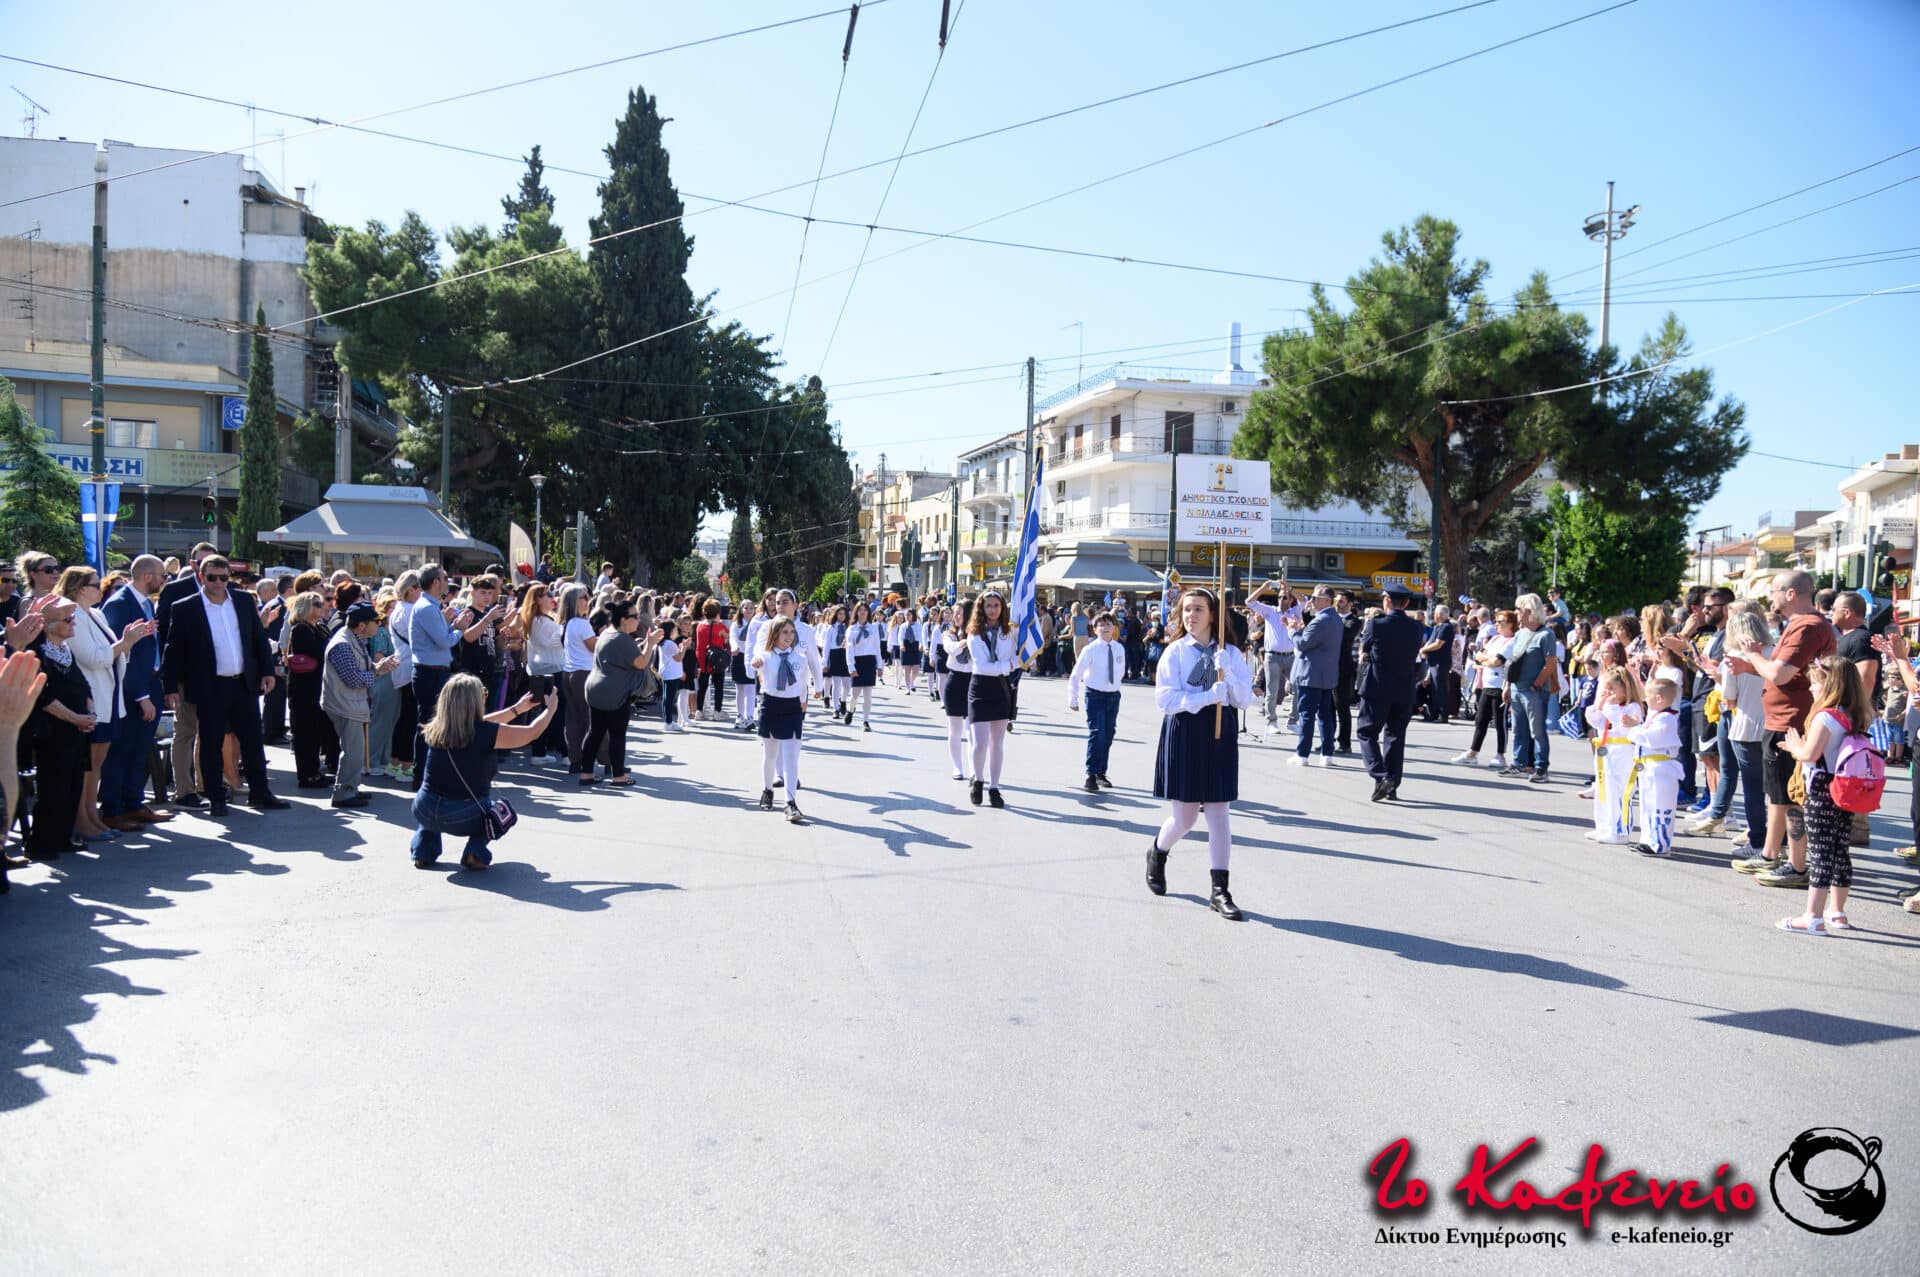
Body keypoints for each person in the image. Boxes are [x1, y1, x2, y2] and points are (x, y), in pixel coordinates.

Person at [1146, 587, 1254, 920]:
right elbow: (1165, 700)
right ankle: (1158, 851)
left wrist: (1229, 674)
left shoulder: (1230, 653)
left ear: (1213, 615)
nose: (1191, 615)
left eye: (1198, 609)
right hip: (1186, 730)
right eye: (1187, 610)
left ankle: (1220, 890)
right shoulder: (1175, 652)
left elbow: (1244, 700)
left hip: (1220, 731)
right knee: (1186, 817)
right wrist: (1206, 697)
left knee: (1219, 812)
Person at [1726, 570, 1836, 890]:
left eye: (1774, 590)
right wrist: (1751, 666)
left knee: (1790, 795)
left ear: (1791, 594)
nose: (1770, 597)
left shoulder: (1808, 626)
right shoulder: (1799, 624)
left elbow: (1780, 674)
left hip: (1791, 723)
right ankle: (1771, 854)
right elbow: (1784, 674)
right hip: (1781, 721)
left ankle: (1793, 864)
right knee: (1778, 793)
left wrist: (1753, 655)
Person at [158, 556, 289, 816]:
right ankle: (215, 797)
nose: (218, 583)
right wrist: (170, 686)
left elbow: (258, 638)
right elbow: (174, 650)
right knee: (211, 743)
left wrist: (267, 671)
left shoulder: (242, 601)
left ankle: (260, 793)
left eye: (224, 577)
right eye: (212, 577)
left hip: (243, 684)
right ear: (201, 577)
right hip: (210, 687)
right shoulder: (186, 607)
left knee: (252, 741)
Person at [412, 675, 557, 871]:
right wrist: (550, 710)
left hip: (423, 808)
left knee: (433, 800)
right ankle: (475, 852)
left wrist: (517, 709)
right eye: (483, 693)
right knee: (503, 812)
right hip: (461, 816)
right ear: (474, 701)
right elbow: (531, 732)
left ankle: (423, 852)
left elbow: (482, 723)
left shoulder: (436, 728)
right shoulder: (484, 733)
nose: (485, 697)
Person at [1774, 656, 1871, 934]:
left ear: (1830, 684)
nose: (1811, 688)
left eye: (1815, 683)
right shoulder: (1854, 715)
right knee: (1839, 849)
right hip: (1844, 787)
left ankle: (1812, 916)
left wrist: (1795, 746)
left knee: (1820, 851)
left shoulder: (1826, 716)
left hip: (1821, 789)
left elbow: (1810, 754)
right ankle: (1837, 912)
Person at [59, 565, 152, 840]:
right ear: (78, 588)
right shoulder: (73, 614)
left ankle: (92, 816)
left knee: (97, 764)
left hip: (109, 695)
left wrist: (129, 642)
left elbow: (114, 653)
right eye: (94, 583)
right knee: (87, 765)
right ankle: (82, 820)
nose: (100, 587)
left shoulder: (96, 613)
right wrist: (125, 642)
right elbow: (93, 658)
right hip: (91, 697)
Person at [99, 555, 171, 830]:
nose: (165, 580)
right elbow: (121, 654)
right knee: (122, 751)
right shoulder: (119, 603)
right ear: (147, 576)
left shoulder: (146, 603)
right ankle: (112, 810)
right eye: (163, 575)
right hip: (131, 691)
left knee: (140, 750)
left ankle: (134, 804)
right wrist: (141, 697)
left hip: (150, 683)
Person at [23, 601, 93, 860]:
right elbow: (44, 697)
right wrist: (75, 718)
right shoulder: (37, 653)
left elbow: (82, 685)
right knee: (54, 787)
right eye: (67, 619)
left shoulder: (64, 650)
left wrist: (90, 713)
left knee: (73, 785)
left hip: (76, 730)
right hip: (52, 732)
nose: (73, 622)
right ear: (49, 626)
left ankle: (63, 836)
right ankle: (42, 843)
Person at [321, 600, 398, 808]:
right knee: (353, 751)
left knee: (355, 750)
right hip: (344, 704)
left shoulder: (353, 639)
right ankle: (343, 793)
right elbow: (353, 679)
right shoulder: (343, 644)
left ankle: (350, 788)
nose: (379, 624)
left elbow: (359, 670)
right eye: (375, 621)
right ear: (362, 625)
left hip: (349, 703)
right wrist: (378, 671)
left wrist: (378, 667)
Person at [1356, 588, 1424, 802]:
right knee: (1395, 737)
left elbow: (1365, 648)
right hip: (1404, 689)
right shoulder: (1417, 627)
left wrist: (1366, 654)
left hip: (1378, 686)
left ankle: (1381, 774)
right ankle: (1391, 786)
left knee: (1366, 732)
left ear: (1386, 601)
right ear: (1406, 603)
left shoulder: (1375, 624)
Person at [579, 602, 656, 786]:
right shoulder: (623, 639)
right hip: (614, 693)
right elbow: (641, 663)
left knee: (595, 733)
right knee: (617, 735)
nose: (638, 620)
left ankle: (586, 773)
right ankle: (619, 776)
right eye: (635, 617)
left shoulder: (607, 633)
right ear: (623, 620)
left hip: (595, 689)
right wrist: (651, 644)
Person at [752, 616, 815, 824]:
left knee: (791, 756)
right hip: (771, 705)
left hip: (792, 708)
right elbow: (757, 663)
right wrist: (756, 663)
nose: (788, 636)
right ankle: (767, 790)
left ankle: (790, 801)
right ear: (775, 634)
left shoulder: (800, 658)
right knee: (771, 755)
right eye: (784, 632)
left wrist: (804, 701)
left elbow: (803, 683)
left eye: (791, 632)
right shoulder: (766, 656)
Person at [966, 592, 1017, 808]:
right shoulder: (974, 633)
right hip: (980, 688)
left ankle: (994, 787)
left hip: (1001, 689)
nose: (993, 610)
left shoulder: (1010, 632)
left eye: (996, 605)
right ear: (982, 608)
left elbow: (1019, 654)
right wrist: (1009, 665)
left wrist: (1016, 663)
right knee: (980, 743)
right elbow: (981, 666)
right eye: (988, 606)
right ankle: (978, 780)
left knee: (997, 743)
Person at [1503, 594, 1560, 785]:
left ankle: (1541, 767)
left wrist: (1537, 684)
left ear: (1529, 611)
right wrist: (1507, 686)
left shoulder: (1546, 634)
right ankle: (1519, 763)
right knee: (1518, 729)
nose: (1517, 613)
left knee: (1537, 731)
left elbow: (1550, 664)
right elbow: (1513, 662)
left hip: (1534, 690)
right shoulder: (1520, 633)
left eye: (1519, 609)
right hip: (1517, 688)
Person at [1584, 666, 1644, 844]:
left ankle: (1620, 831)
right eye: (1606, 688)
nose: (1608, 692)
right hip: (1605, 752)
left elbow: (1634, 726)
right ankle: (1603, 826)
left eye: (1612, 688)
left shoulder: (1632, 707)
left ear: (1625, 688)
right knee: (1603, 791)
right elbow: (1594, 720)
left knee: (1620, 792)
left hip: (1622, 752)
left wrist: (1632, 722)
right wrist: (1599, 704)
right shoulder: (1606, 706)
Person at [1066, 611, 1125, 792]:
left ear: (1114, 628)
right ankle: (1090, 774)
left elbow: (1121, 671)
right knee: (1097, 733)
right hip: (1095, 695)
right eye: (1101, 625)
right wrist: (1073, 698)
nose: (1105, 628)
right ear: (1095, 628)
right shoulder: (1090, 649)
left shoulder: (1119, 648)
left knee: (1108, 734)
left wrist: (1114, 687)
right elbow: (1076, 674)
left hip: (1113, 696)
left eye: (1108, 624)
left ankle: (1101, 773)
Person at [1628, 678, 1685, 857]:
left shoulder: (1667, 718)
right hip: (1649, 767)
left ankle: (1659, 844)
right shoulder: (1656, 715)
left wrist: (1634, 727)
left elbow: (1651, 738)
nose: (1645, 699)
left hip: (1661, 768)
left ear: (1659, 698)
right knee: (1648, 806)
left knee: (1660, 806)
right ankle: (1647, 839)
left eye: (1648, 696)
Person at [1454, 609, 1516, 769]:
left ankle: (1500, 755)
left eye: (1500, 622)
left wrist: (1486, 661)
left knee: (1500, 722)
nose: (1497, 624)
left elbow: (1498, 661)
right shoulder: (1495, 638)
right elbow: (1478, 655)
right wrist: (1486, 660)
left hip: (1500, 685)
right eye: (1496, 621)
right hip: (1486, 683)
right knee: (1480, 720)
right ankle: (1473, 753)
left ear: (1510, 624)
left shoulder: (1512, 641)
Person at [1288, 587, 1342, 767]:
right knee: (1325, 715)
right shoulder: (1335, 619)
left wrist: (1292, 631)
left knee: (1307, 715)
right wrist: (1299, 629)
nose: (1312, 601)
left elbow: (1303, 644)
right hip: (1326, 675)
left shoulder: (1321, 620)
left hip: (1311, 675)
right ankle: (1327, 754)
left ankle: (1302, 754)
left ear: (1327, 600)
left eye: (1316, 598)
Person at [1244, 582, 1299, 736]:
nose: (1281, 600)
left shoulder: (1295, 611)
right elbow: (1249, 602)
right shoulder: (1270, 611)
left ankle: (1293, 721)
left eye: (1284, 597)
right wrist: (1264, 587)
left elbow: (1304, 600)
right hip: (1272, 656)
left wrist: (1290, 588)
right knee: (1272, 691)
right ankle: (1271, 722)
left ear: (1290, 600)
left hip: (1290, 656)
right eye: (1279, 597)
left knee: (1298, 688)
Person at [366, 593, 403, 780]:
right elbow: (379, 657)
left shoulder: (394, 629)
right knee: (380, 721)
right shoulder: (381, 631)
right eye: (392, 607)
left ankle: (383, 760)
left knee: (391, 721)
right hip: (384, 678)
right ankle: (370, 762)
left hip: (394, 678)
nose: (396, 611)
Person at [938, 602, 975, 781]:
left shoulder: (978, 634)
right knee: (955, 729)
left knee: (972, 729)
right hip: (954, 681)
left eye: (959, 613)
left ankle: (974, 768)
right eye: (955, 613)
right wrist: (963, 643)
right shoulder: (949, 634)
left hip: (973, 681)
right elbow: (950, 648)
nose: (956, 616)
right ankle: (957, 766)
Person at [846, 601, 882, 730]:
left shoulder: (873, 628)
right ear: (856, 612)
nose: (862, 612)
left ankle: (866, 721)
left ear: (868, 613)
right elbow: (849, 650)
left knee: (868, 695)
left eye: (865, 610)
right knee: (855, 694)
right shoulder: (851, 629)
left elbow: (877, 647)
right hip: (858, 662)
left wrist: (880, 665)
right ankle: (851, 710)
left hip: (869, 662)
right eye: (860, 610)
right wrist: (851, 667)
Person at [693, 598, 730, 724]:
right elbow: (726, 640)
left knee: (702, 686)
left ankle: (699, 711)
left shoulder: (699, 626)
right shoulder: (721, 627)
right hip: (717, 658)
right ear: (717, 612)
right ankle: (717, 711)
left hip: (702, 656)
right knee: (719, 686)